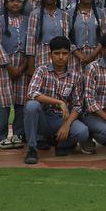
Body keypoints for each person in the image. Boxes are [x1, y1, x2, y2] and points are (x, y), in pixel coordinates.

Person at [21, 36, 92, 165]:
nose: (60, 57)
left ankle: (61, 143)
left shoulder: (76, 76)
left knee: (83, 132)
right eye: (57, 53)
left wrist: (67, 125)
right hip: (43, 117)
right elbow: (31, 92)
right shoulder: (42, 70)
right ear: (50, 55)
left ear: (69, 55)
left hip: (61, 119)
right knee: (31, 105)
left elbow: (78, 105)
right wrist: (60, 102)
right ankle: (32, 149)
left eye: (64, 54)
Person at [0, 0, 31, 149]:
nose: (15, 4)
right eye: (12, 1)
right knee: (3, 101)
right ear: (6, 3)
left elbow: (31, 43)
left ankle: (18, 134)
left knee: (22, 100)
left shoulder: (28, 20)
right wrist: (8, 65)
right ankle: (0, 136)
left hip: (23, 63)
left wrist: (24, 65)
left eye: (19, 1)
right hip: (3, 65)